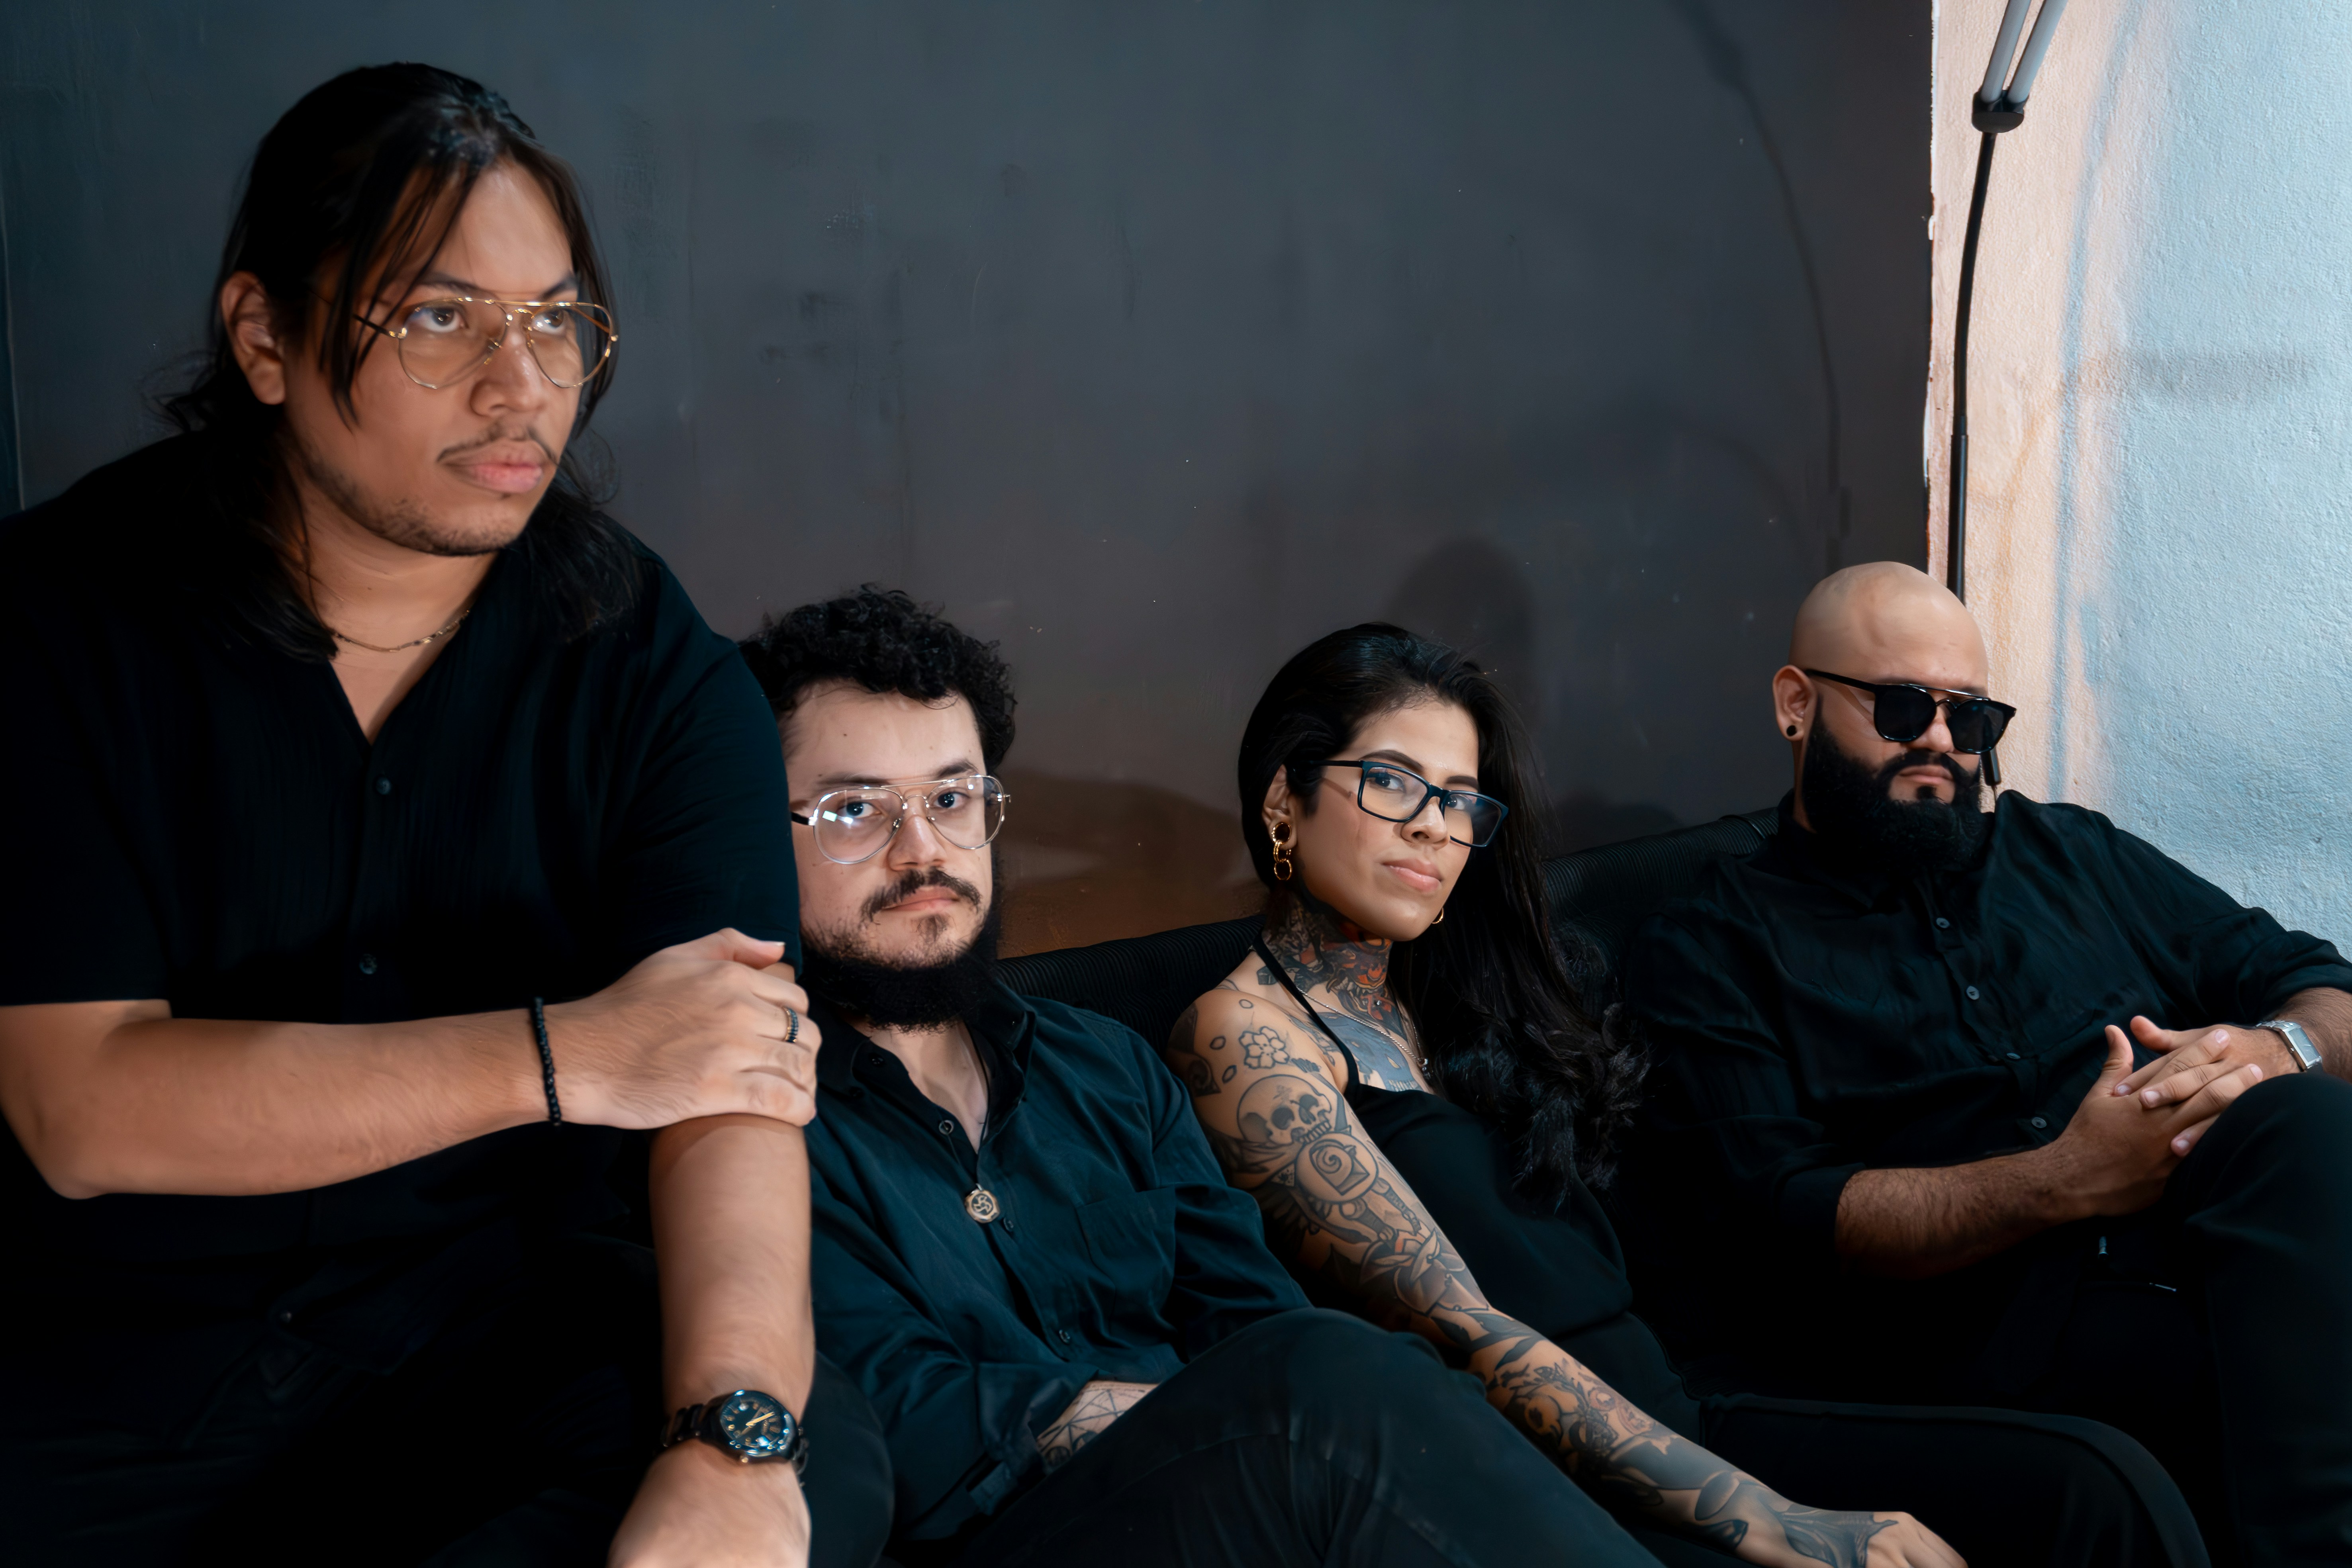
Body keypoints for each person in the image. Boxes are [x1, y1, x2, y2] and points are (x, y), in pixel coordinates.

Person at [0, 66, 887, 1566]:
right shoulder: (56, 619)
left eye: (555, 320)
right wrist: (569, 1053)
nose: (518, 380)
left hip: (478, 1338)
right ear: (263, 337)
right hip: (95, 1365)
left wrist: (734, 1434)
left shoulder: (648, 661)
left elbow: (728, 1084)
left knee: (814, 1471)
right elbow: (82, 1104)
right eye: (436, 316)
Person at [1169, 621, 2208, 1568]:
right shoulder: (1244, 1035)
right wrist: (1773, 1517)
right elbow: (1462, 1329)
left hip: (1685, 1401)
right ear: (1282, 797)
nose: (1436, 830)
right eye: (1393, 784)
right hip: (1538, 1474)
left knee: (2097, 1493)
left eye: (1459, 800)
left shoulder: (1454, 1007)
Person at [740, 587, 1693, 1568]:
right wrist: (1243, 1411)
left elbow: (1257, 1317)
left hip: (1259, 1508)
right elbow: (915, 1413)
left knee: (1363, 1377)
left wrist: (1262, 1410)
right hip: (1017, 1539)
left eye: (952, 798)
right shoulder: (754, 1113)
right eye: (854, 809)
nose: (923, 849)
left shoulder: (1105, 1068)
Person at [1618, 562, 2352, 1568]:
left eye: (1969, 718)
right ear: (1797, 705)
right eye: (1902, 705)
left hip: (2196, 1236)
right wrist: (2067, 1180)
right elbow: (1787, 1219)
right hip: (1972, 1326)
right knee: (2197, 1362)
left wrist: (2280, 1047)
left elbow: (2319, 980)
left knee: (2301, 1117)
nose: (1938, 741)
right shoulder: (1707, 945)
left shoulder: (2072, 854)